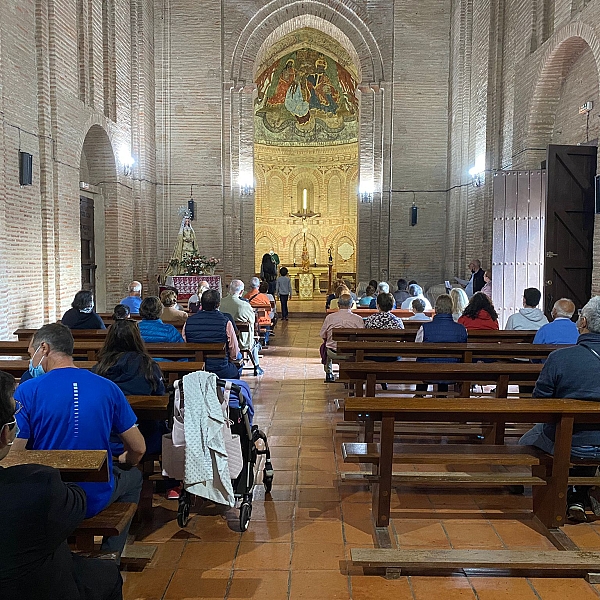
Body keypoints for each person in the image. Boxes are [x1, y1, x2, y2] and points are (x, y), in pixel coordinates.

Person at [13, 323, 146, 556]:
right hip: (92, 497)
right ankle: (109, 557)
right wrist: (125, 459)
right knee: (133, 476)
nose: (30, 361)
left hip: (47, 496)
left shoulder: (27, 390)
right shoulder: (107, 387)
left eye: (30, 353)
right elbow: (139, 448)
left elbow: (16, 452)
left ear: (43, 348)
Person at [0, 370, 124, 600]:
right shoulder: (38, 487)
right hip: (35, 587)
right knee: (106, 575)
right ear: (5, 434)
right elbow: (77, 503)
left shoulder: (31, 389)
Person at [519, 296, 600, 522]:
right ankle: (579, 494)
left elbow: (540, 404)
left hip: (569, 442)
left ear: (582, 322)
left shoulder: (561, 358)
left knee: (526, 442)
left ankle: (553, 496)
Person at [93, 319, 165, 456]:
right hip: (142, 438)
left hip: (107, 439)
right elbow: (160, 396)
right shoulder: (148, 366)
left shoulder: (99, 369)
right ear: (137, 338)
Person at [183, 288, 243, 379]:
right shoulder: (225, 321)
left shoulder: (189, 321)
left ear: (201, 304)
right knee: (238, 363)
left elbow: (184, 343)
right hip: (220, 369)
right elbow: (234, 351)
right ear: (218, 304)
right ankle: (230, 390)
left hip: (195, 368)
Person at [414, 294, 468, 395]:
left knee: (424, 361)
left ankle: (420, 394)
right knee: (446, 361)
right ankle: (442, 396)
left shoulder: (425, 328)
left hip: (428, 370)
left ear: (436, 309)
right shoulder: (461, 329)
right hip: (453, 370)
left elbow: (417, 347)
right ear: (451, 309)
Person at [220, 280, 263, 374]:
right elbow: (252, 320)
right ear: (241, 292)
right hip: (241, 341)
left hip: (222, 339)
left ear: (229, 289)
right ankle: (257, 367)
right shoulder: (244, 305)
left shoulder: (221, 302)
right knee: (254, 343)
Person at [320, 294, 364, 383]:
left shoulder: (330, 318)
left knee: (325, 346)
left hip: (333, 352)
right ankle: (354, 371)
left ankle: (329, 372)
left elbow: (323, 335)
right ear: (351, 305)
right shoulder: (358, 319)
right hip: (352, 352)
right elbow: (362, 337)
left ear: (338, 304)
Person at [165, 212, 198, 276]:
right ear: (184, 222)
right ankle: (183, 270)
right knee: (184, 257)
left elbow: (193, 237)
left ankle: (191, 269)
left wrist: (191, 239)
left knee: (191, 256)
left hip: (190, 245)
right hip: (185, 245)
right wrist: (185, 239)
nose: (187, 222)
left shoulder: (191, 230)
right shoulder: (183, 229)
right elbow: (180, 238)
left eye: (188, 221)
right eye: (186, 221)